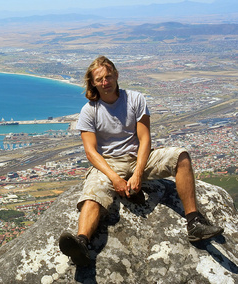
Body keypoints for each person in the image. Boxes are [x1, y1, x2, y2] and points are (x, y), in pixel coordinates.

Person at [59, 56, 224, 266]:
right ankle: (81, 243)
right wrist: (114, 179)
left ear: (116, 75)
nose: (105, 82)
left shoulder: (135, 99)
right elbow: (91, 153)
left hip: (140, 157)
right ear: (93, 83)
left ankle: (194, 222)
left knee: (181, 156)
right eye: (99, 79)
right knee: (93, 193)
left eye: (108, 76)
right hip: (109, 162)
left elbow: (145, 138)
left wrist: (137, 173)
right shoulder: (89, 111)